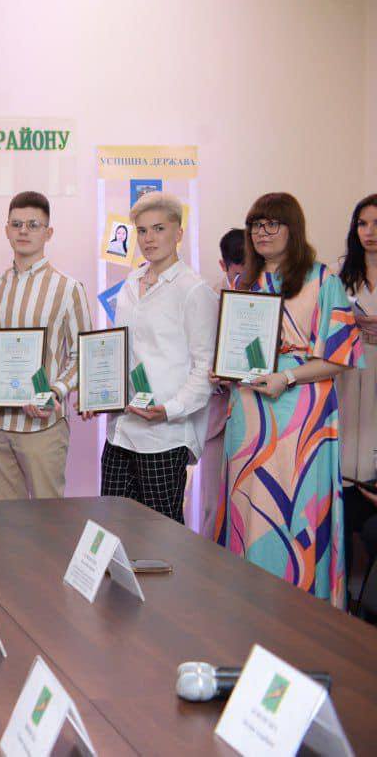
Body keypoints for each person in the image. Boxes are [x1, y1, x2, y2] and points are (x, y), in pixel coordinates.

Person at [214, 192, 363, 608]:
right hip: (249, 416)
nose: (261, 232)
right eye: (255, 225)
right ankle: (245, 608)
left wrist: (288, 376)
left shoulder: (322, 280)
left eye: (271, 224)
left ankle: (298, 611)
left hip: (303, 417)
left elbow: (342, 357)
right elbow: (240, 352)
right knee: (249, 508)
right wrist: (223, 371)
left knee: (296, 513)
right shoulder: (245, 284)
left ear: (292, 228)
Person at [89, 194, 217, 523]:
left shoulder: (194, 290)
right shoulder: (131, 283)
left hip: (165, 435)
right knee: (111, 528)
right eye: (143, 231)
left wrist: (170, 409)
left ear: (178, 233)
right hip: (121, 429)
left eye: (159, 228)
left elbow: (205, 368)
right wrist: (98, 393)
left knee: (162, 535)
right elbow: (119, 350)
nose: (149, 238)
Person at [0, 191, 91, 500]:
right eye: (16, 224)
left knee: (47, 520)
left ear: (48, 232)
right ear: (7, 230)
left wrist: (54, 391)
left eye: (33, 225)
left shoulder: (68, 288)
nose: (23, 231)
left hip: (43, 425)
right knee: (4, 521)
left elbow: (83, 355)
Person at [194, 227, 247, 537]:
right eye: (237, 272)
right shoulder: (207, 298)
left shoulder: (267, 297)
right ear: (222, 265)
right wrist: (214, 376)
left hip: (255, 409)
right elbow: (193, 356)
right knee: (213, 504)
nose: (243, 279)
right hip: (216, 414)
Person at [338, 193, 377, 598]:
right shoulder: (341, 279)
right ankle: (342, 596)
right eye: (363, 224)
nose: (370, 232)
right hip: (348, 379)